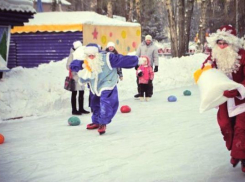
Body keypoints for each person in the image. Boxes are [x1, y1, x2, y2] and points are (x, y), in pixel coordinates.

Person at [201, 25, 245, 172]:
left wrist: (238, 90)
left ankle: (242, 156)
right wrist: (205, 70)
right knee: (225, 125)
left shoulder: (242, 55)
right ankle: (236, 151)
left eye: (224, 43)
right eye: (219, 43)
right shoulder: (214, 56)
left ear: (232, 43)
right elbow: (205, 71)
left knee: (242, 128)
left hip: (242, 99)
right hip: (224, 100)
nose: (221, 46)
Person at [76, 43, 143, 135]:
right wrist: (76, 66)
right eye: (89, 55)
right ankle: (96, 121)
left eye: (93, 55)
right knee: (94, 103)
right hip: (95, 85)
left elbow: (123, 60)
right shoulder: (86, 60)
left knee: (105, 102)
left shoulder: (108, 58)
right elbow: (76, 64)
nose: (91, 57)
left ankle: (103, 122)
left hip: (108, 82)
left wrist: (137, 60)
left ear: (98, 53)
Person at [66, 40, 90, 115]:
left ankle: (81, 108)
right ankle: (74, 110)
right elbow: (68, 66)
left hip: (82, 76)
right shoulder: (72, 55)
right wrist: (76, 68)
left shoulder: (82, 54)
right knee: (74, 93)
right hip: (75, 76)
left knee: (82, 92)